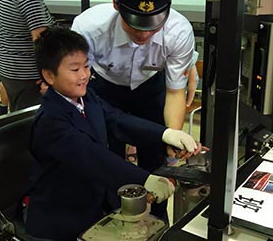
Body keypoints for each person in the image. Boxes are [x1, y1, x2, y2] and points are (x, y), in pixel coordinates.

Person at [26, 27, 200, 241]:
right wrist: (145, 180)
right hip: (62, 221)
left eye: (86, 66)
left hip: (94, 207)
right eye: (74, 69)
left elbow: (117, 119)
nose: (84, 75)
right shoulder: (51, 121)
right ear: (49, 75)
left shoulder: (86, 97)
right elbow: (92, 157)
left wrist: (165, 134)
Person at [71, 0, 197, 217]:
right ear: (116, 3)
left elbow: (174, 92)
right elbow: (77, 79)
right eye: (136, 25)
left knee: (158, 160)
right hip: (104, 90)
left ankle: (158, 223)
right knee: (109, 163)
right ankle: (112, 221)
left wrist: (172, 135)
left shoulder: (179, 31)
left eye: (153, 26)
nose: (144, 33)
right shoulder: (89, 28)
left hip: (150, 90)